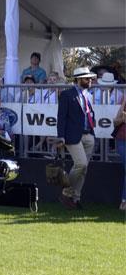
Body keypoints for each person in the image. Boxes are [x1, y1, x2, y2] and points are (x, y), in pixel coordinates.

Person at [55, 67, 98, 209]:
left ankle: (75, 198)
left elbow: (89, 113)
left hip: (88, 135)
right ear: (78, 79)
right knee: (81, 164)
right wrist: (61, 136)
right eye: (87, 78)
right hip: (72, 136)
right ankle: (66, 192)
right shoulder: (67, 95)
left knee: (83, 169)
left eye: (90, 78)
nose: (90, 80)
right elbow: (61, 118)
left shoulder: (88, 95)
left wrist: (92, 130)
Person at [113, 96, 126, 212]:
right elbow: (115, 122)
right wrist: (122, 119)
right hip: (122, 140)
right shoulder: (124, 99)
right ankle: (124, 201)